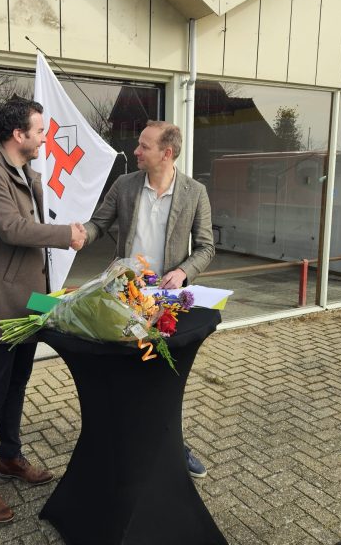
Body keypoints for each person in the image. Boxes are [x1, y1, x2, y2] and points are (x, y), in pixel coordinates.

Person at [0, 97, 86, 522]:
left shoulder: (26, 174)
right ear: (19, 135)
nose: (43, 138)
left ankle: (10, 458)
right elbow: (12, 229)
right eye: (39, 131)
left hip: (30, 301)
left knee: (17, 385)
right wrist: (65, 233)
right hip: (1, 304)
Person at [82, 120, 215, 478]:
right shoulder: (125, 185)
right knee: (123, 373)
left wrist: (184, 271)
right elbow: (99, 223)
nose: (136, 151)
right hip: (122, 297)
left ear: (166, 153)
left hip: (166, 303)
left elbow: (206, 247)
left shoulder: (195, 192)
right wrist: (80, 235)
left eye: (144, 146)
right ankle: (120, 444)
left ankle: (175, 447)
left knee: (165, 379)